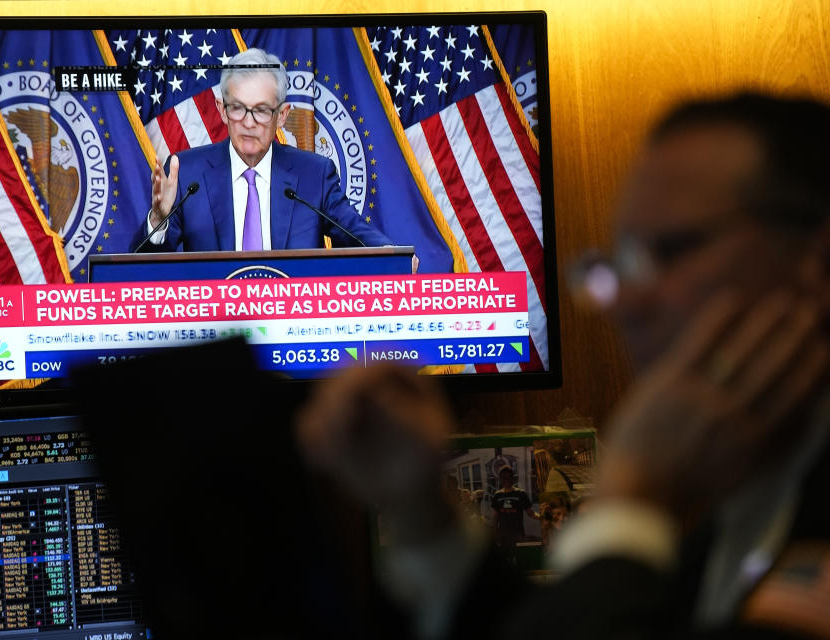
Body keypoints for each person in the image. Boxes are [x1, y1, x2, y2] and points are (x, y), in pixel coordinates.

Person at [297, 92, 830, 640]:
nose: (625, 303)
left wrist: (628, 495)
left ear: (819, 260)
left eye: (668, 253)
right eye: (621, 261)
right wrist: (422, 516)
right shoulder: (747, 487)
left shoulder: (684, 489)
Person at [132, 48, 395, 253]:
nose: (248, 122)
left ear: (282, 115)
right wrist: (157, 220)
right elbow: (138, 272)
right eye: (237, 108)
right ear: (222, 109)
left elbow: (354, 232)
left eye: (260, 110)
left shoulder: (314, 175)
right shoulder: (187, 174)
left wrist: (393, 256)